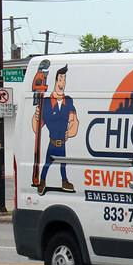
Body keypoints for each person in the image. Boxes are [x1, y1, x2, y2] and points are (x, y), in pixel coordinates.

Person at [33, 65, 78, 194]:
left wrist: (71, 131)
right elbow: (37, 126)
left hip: (62, 143)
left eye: (64, 80)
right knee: (47, 163)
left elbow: (74, 120)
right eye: (60, 79)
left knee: (63, 164)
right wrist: (36, 117)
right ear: (54, 81)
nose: (62, 83)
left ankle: (64, 181)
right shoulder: (46, 103)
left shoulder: (68, 101)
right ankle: (42, 180)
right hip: (52, 143)